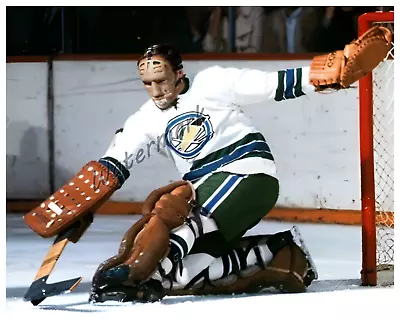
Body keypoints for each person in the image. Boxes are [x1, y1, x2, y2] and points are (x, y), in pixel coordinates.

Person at [23, 26, 392, 303]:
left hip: (247, 173)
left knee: (169, 218)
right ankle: (279, 256)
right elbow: (114, 163)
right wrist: (84, 202)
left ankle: (145, 264)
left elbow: (277, 84)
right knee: (172, 277)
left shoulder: (213, 83)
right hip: (207, 190)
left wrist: (330, 74)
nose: (155, 90)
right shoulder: (145, 119)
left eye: (161, 80)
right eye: (147, 83)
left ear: (179, 73)